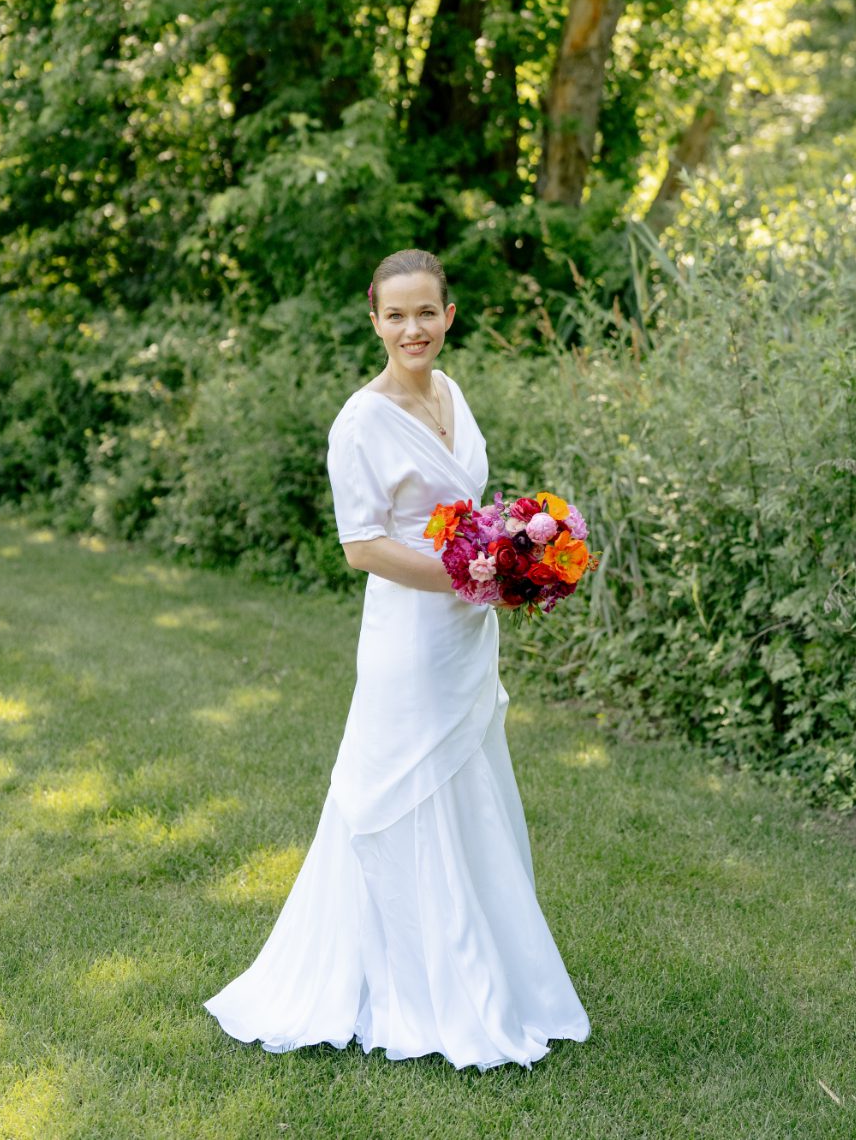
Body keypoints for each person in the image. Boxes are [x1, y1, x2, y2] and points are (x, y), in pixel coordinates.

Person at [204, 248, 589, 1070]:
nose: (412, 328)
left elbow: (466, 512)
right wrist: (470, 576)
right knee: (402, 792)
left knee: (467, 788)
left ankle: (492, 969)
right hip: (410, 639)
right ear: (374, 321)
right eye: (396, 315)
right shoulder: (361, 421)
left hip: (465, 634)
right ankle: (420, 984)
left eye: (426, 312)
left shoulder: (454, 394)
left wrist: (515, 551)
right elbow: (363, 545)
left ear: (449, 316)